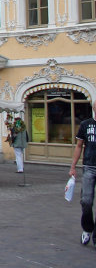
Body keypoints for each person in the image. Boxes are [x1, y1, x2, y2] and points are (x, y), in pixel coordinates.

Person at [70, 100, 96, 246]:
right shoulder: (86, 124)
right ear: (94, 108)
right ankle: (87, 228)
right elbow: (79, 146)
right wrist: (73, 167)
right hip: (89, 166)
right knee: (86, 201)